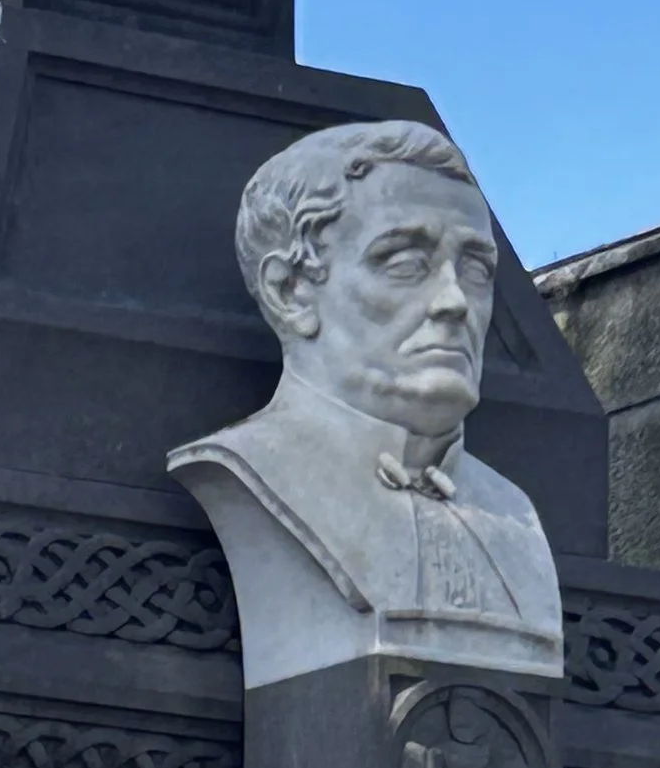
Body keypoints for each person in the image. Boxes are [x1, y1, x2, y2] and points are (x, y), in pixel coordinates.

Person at [171, 120, 561, 684]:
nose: (455, 302)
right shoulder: (246, 474)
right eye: (406, 263)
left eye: (475, 269)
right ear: (290, 293)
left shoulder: (515, 516)